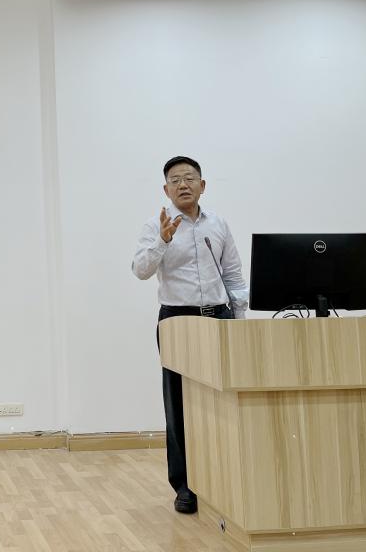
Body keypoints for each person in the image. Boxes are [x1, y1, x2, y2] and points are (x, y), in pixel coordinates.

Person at [131, 156, 248, 514]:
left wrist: (239, 320)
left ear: (202, 185)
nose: (183, 184)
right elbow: (140, 270)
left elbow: (233, 274)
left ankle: (225, 479)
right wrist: (162, 241)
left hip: (219, 316)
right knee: (179, 404)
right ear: (166, 189)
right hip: (177, 320)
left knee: (224, 401)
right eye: (175, 180)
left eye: (190, 178)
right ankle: (185, 486)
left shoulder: (219, 224)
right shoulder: (156, 225)